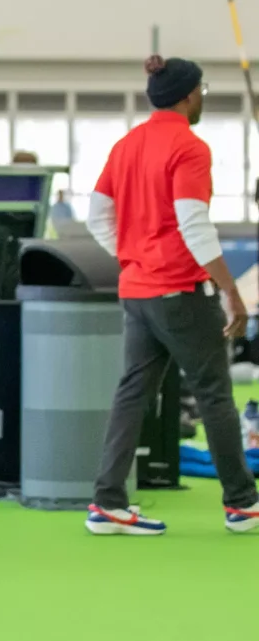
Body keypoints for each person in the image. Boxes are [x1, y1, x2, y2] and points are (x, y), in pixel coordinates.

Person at [83, 55, 258, 536]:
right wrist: (231, 292)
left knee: (131, 395)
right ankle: (243, 504)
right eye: (203, 89)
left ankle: (107, 504)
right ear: (188, 95)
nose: (204, 97)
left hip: (137, 292)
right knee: (215, 396)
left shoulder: (126, 145)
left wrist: (135, 256)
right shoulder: (190, 147)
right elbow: (194, 223)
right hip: (179, 291)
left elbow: (97, 216)